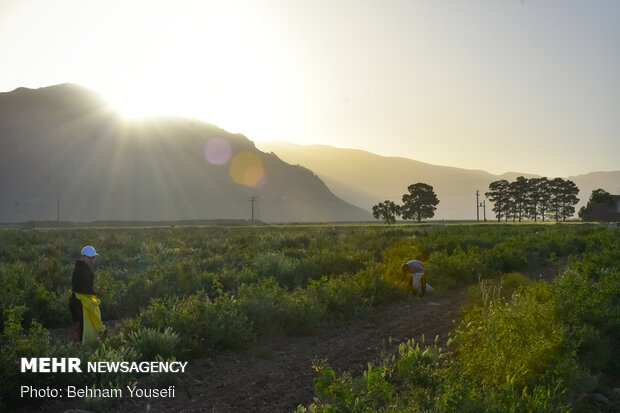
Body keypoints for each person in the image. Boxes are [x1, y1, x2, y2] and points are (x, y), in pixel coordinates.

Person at [69, 246, 103, 344]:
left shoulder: (83, 268)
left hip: (80, 301)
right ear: (83, 257)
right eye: (90, 257)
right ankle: (79, 351)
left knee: (82, 327)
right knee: (81, 328)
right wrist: (92, 292)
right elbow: (79, 287)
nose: (92, 260)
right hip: (79, 303)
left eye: (93, 257)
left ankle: (81, 350)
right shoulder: (81, 270)